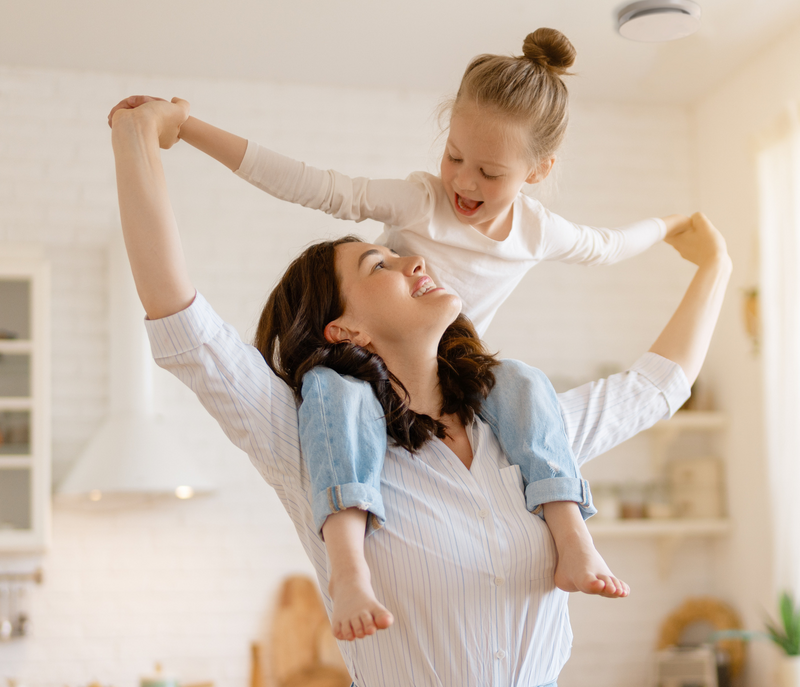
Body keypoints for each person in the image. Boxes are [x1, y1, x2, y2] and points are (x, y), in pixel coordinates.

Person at [110, 97, 730, 687]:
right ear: (345, 329)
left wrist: (715, 268)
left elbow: (653, 389)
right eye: (378, 265)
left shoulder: (521, 430)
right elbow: (185, 326)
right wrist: (138, 135)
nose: (413, 261)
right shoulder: (313, 439)